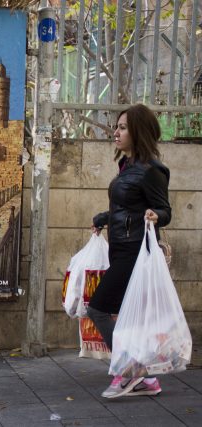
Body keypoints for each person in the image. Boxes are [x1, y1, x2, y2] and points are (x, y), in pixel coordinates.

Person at [88, 104, 171, 399]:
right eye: (117, 126)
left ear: (138, 131)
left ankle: (131, 372)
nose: (116, 132)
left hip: (136, 251)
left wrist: (155, 216)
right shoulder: (127, 166)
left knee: (97, 308)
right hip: (120, 247)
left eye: (123, 127)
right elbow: (126, 208)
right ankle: (147, 381)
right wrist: (104, 218)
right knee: (126, 316)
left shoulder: (152, 171)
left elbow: (165, 210)